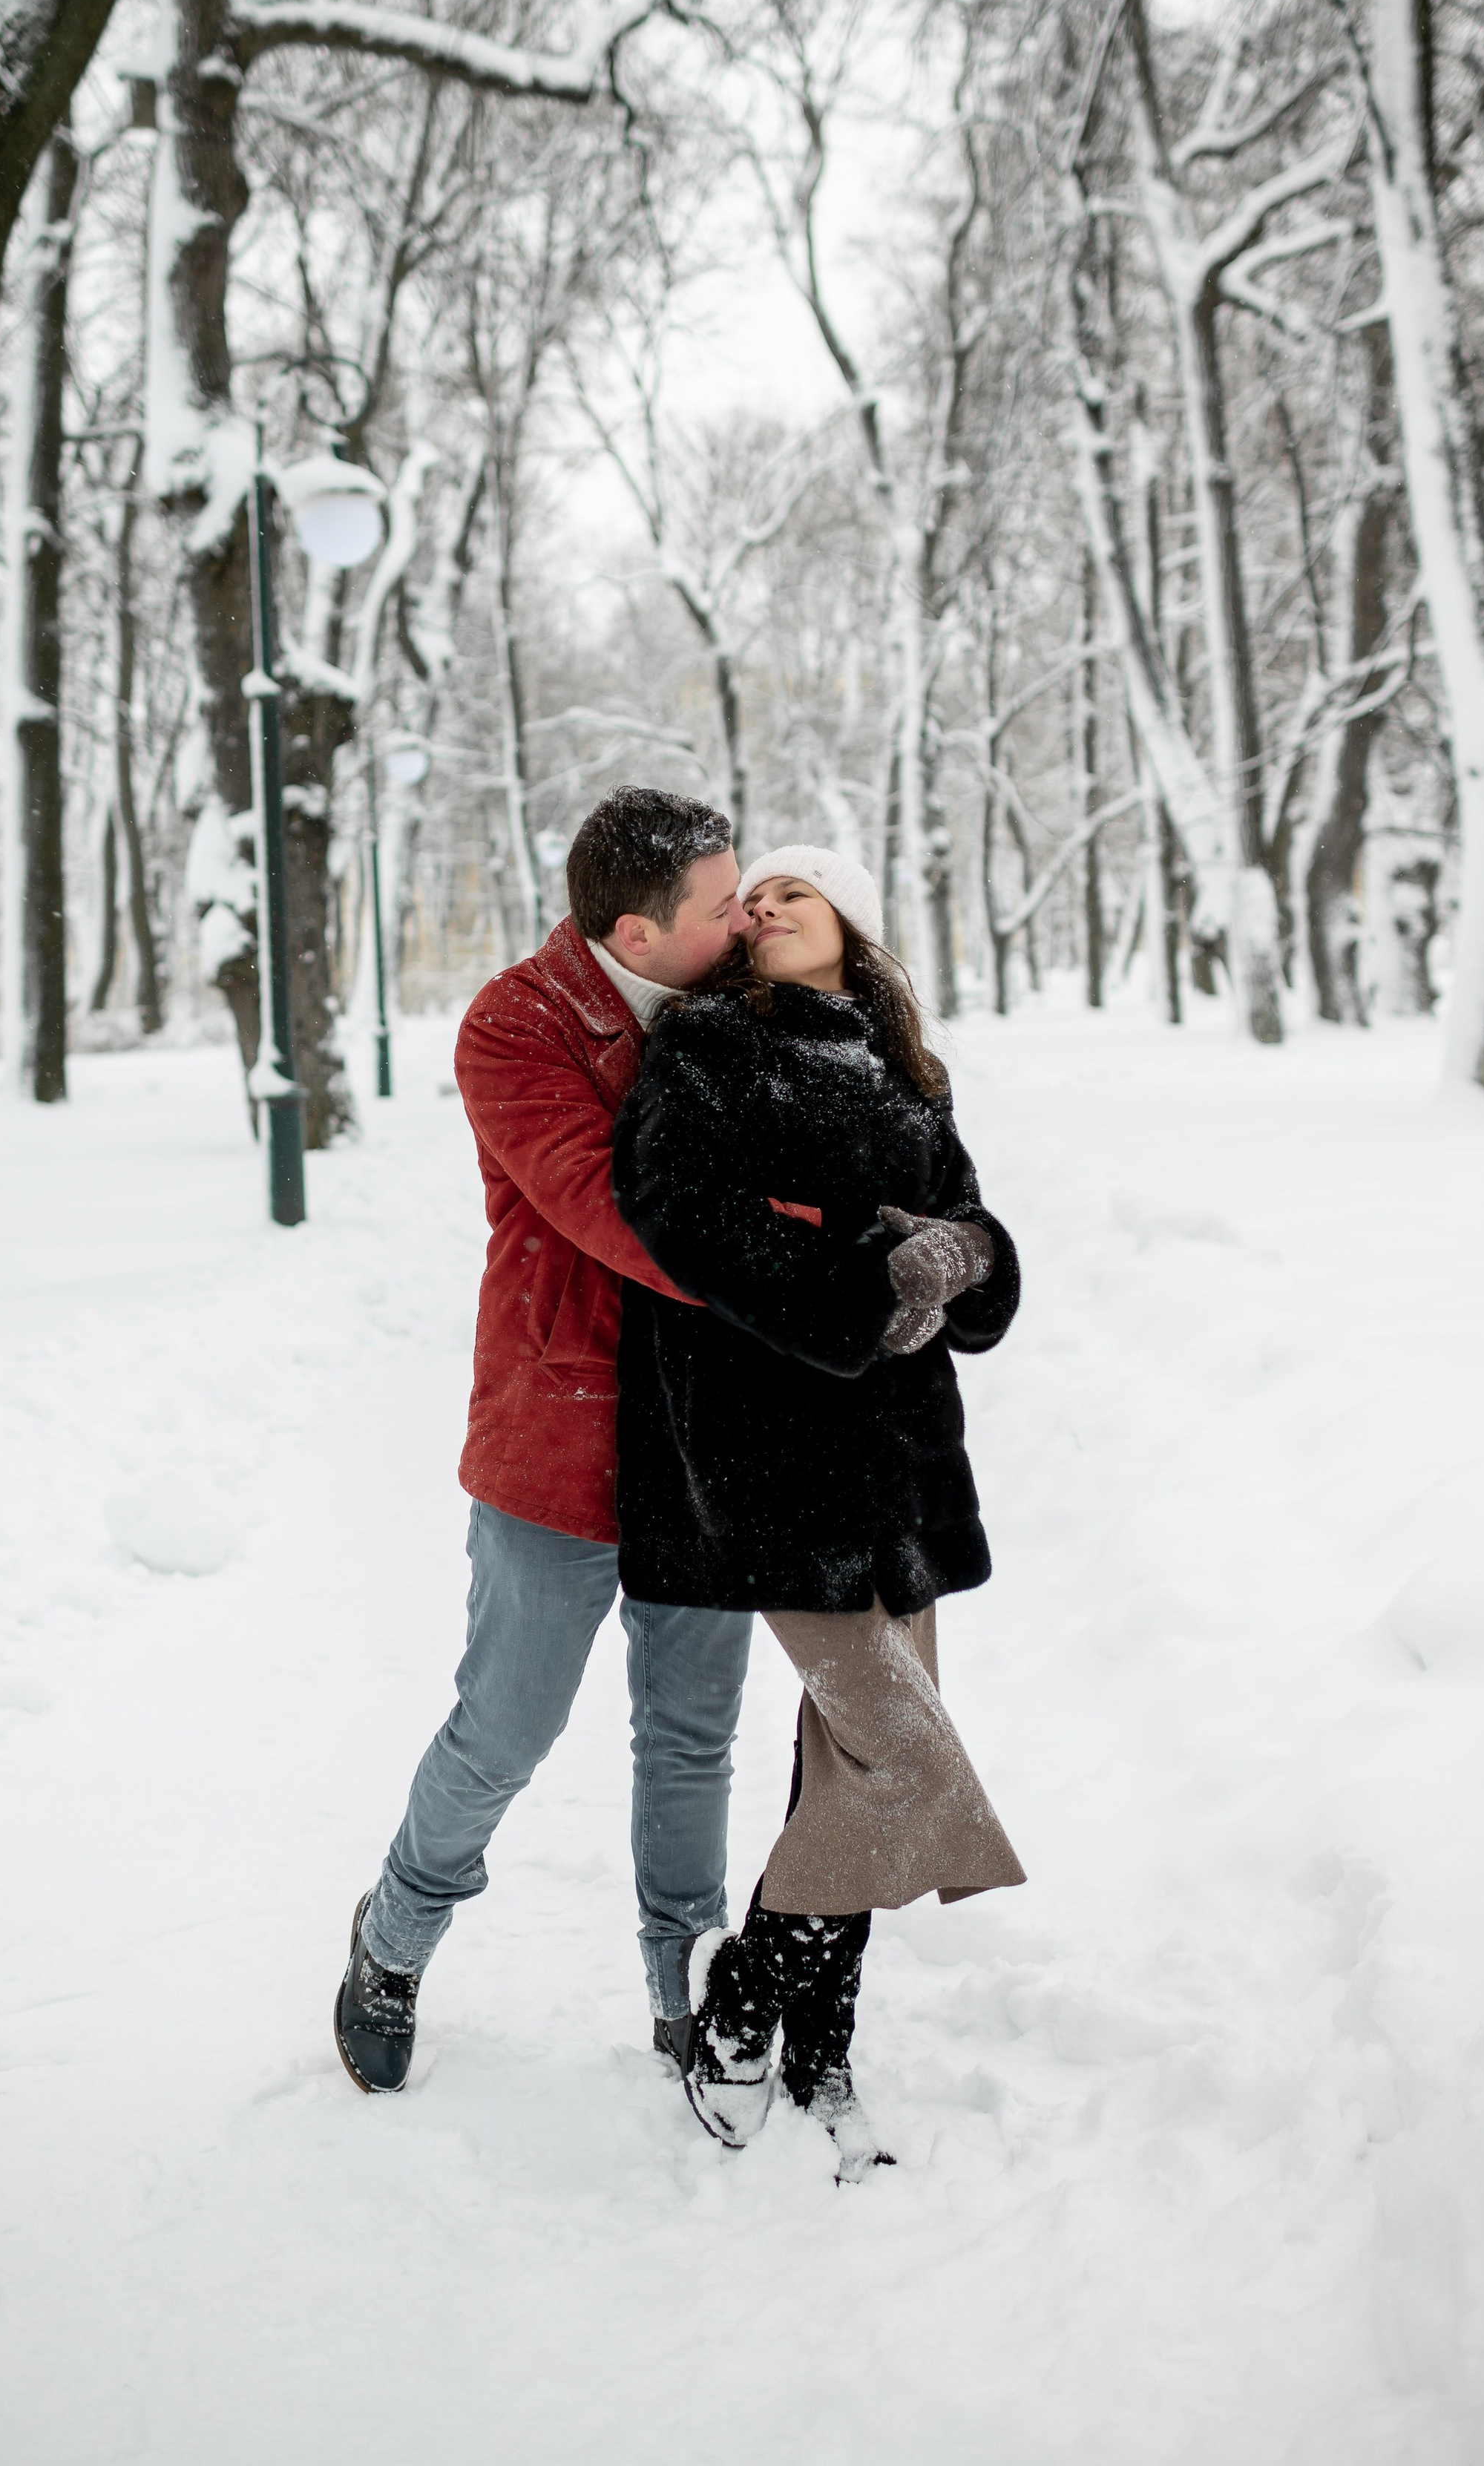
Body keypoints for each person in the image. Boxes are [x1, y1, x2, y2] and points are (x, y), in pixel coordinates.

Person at [610, 844, 1025, 2180]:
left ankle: (820, 2046)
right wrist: (865, 1276)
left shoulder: (907, 1065)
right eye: (756, 895)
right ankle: (742, 1998)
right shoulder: (709, 1045)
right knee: (903, 1761)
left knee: (845, 1772)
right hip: (768, 1456)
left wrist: (957, 1259)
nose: (768, 904)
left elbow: (968, 1228)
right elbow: (683, 1214)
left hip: (901, 1459)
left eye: (798, 888)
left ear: (851, 916)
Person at [334, 788, 758, 2093]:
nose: (746, 919)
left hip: (708, 1440)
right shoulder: (515, 1026)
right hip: (558, 1434)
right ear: (636, 934)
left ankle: (681, 1971)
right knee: (505, 1730)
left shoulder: (746, 999)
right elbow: (621, 1209)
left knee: (690, 1737)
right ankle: (394, 1936)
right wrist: (807, 1262)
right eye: (719, 905)